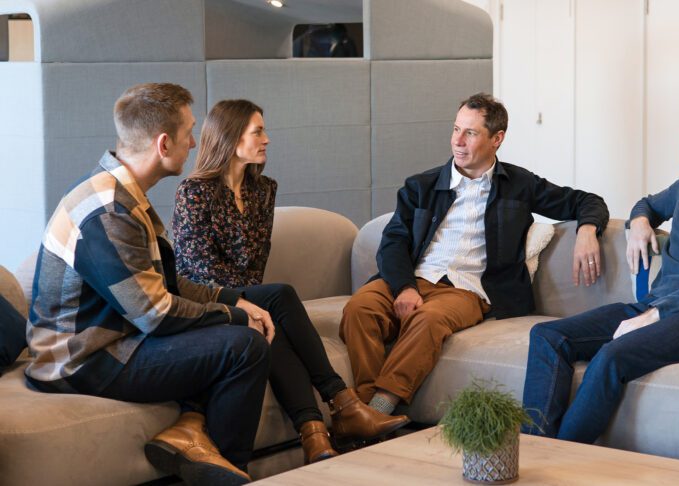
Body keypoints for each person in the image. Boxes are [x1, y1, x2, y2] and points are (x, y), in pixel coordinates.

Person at [25, 83, 271, 485]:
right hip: (80, 360)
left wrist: (236, 303)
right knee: (244, 346)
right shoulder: (108, 211)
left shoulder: (123, 194)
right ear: (163, 144)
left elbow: (164, 285)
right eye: (189, 132)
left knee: (242, 323)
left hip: (119, 339)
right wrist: (232, 315)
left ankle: (196, 434)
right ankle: (226, 472)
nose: (194, 143)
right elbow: (156, 314)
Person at [521, 93, 679, 443]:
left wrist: (654, 316)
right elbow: (647, 203)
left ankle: (564, 459)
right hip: (657, 307)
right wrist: (640, 222)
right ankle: (534, 447)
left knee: (612, 356)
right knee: (548, 336)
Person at [340, 93, 610, 415]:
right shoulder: (420, 186)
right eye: (456, 129)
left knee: (428, 320)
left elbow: (587, 201)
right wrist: (404, 287)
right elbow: (393, 242)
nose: (458, 141)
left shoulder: (519, 185)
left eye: (470, 133)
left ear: (497, 139)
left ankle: (378, 410)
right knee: (359, 308)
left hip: (467, 289)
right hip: (413, 277)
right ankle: (366, 414)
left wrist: (587, 230)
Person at [172, 99, 409, 463]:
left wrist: (254, 305)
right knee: (279, 297)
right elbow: (200, 270)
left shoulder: (262, 189)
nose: (267, 139)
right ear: (232, 138)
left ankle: (315, 435)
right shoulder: (194, 192)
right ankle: (341, 402)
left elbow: (256, 264)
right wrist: (249, 301)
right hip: (205, 300)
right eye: (258, 132)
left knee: (271, 328)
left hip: (249, 295)